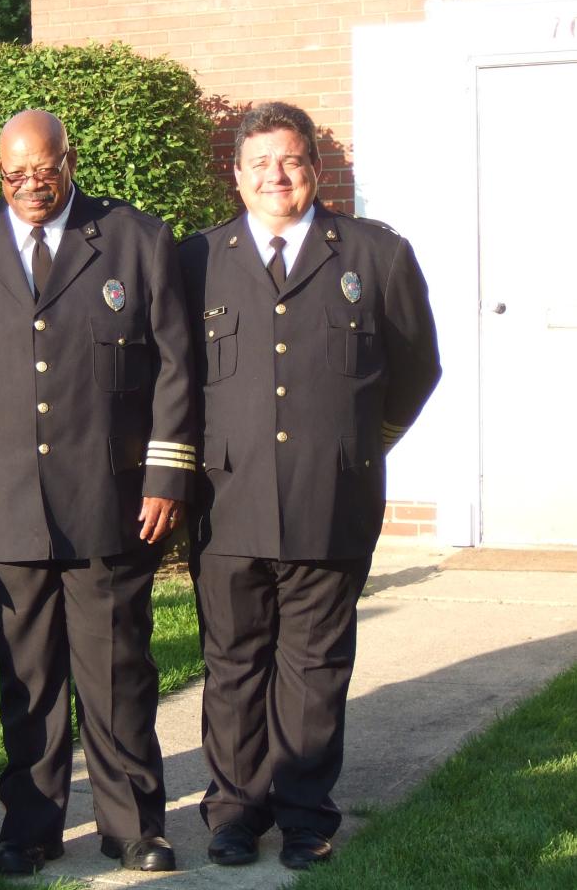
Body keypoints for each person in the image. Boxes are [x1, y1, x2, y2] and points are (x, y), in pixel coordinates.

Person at [0, 110, 197, 876]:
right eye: (14, 174)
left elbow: (177, 365)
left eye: (44, 169)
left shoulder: (135, 239)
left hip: (108, 498)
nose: (30, 185)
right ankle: (31, 826)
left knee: (118, 671)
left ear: (71, 159)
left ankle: (133, 821)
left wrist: (167, 474)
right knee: (26, 678)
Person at [178, 102, 441, 870]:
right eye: (258, 163)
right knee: (232, 664)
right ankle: (233, 813)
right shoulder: (198, 260)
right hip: (228, 501)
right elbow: (178, 379)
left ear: (316, 170)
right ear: (236, 174)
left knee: (315, 667)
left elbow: (416, 369)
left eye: (290, 161)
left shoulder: (374, 254)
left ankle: (303, 814)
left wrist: (359, 446)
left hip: (333, 499)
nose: (275, 176)